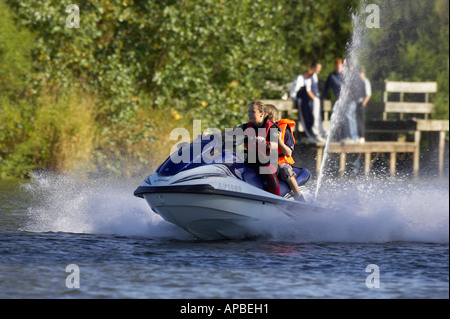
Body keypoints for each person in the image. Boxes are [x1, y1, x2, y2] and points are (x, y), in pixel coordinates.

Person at [235, 101, 280, 196]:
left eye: (252, 111)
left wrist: (264, 142)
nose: (249, 114)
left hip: (269, 162)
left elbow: (275, 145)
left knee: (267, 170)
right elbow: (230, 135)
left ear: (261, 114)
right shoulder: (244, 127)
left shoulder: (272, 127)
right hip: (252, 161)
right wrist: (213, 135)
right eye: (248, 112)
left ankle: (277, 199)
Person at [265, 104, 304, 201]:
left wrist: (279, 141)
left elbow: (288, 153)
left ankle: (300, 197)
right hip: (265, 160)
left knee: (284, 169)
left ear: (272, 117)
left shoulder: (283, 130)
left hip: (281, 161)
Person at [356, 68, 372, 143]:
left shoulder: (365, 81)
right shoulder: (359, 81)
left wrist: (363, 103)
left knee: (360, 120)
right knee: (357, 120)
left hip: (362, 103)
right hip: (358, 103)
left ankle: (362, 136)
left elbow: (368, 94)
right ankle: (358, 136)